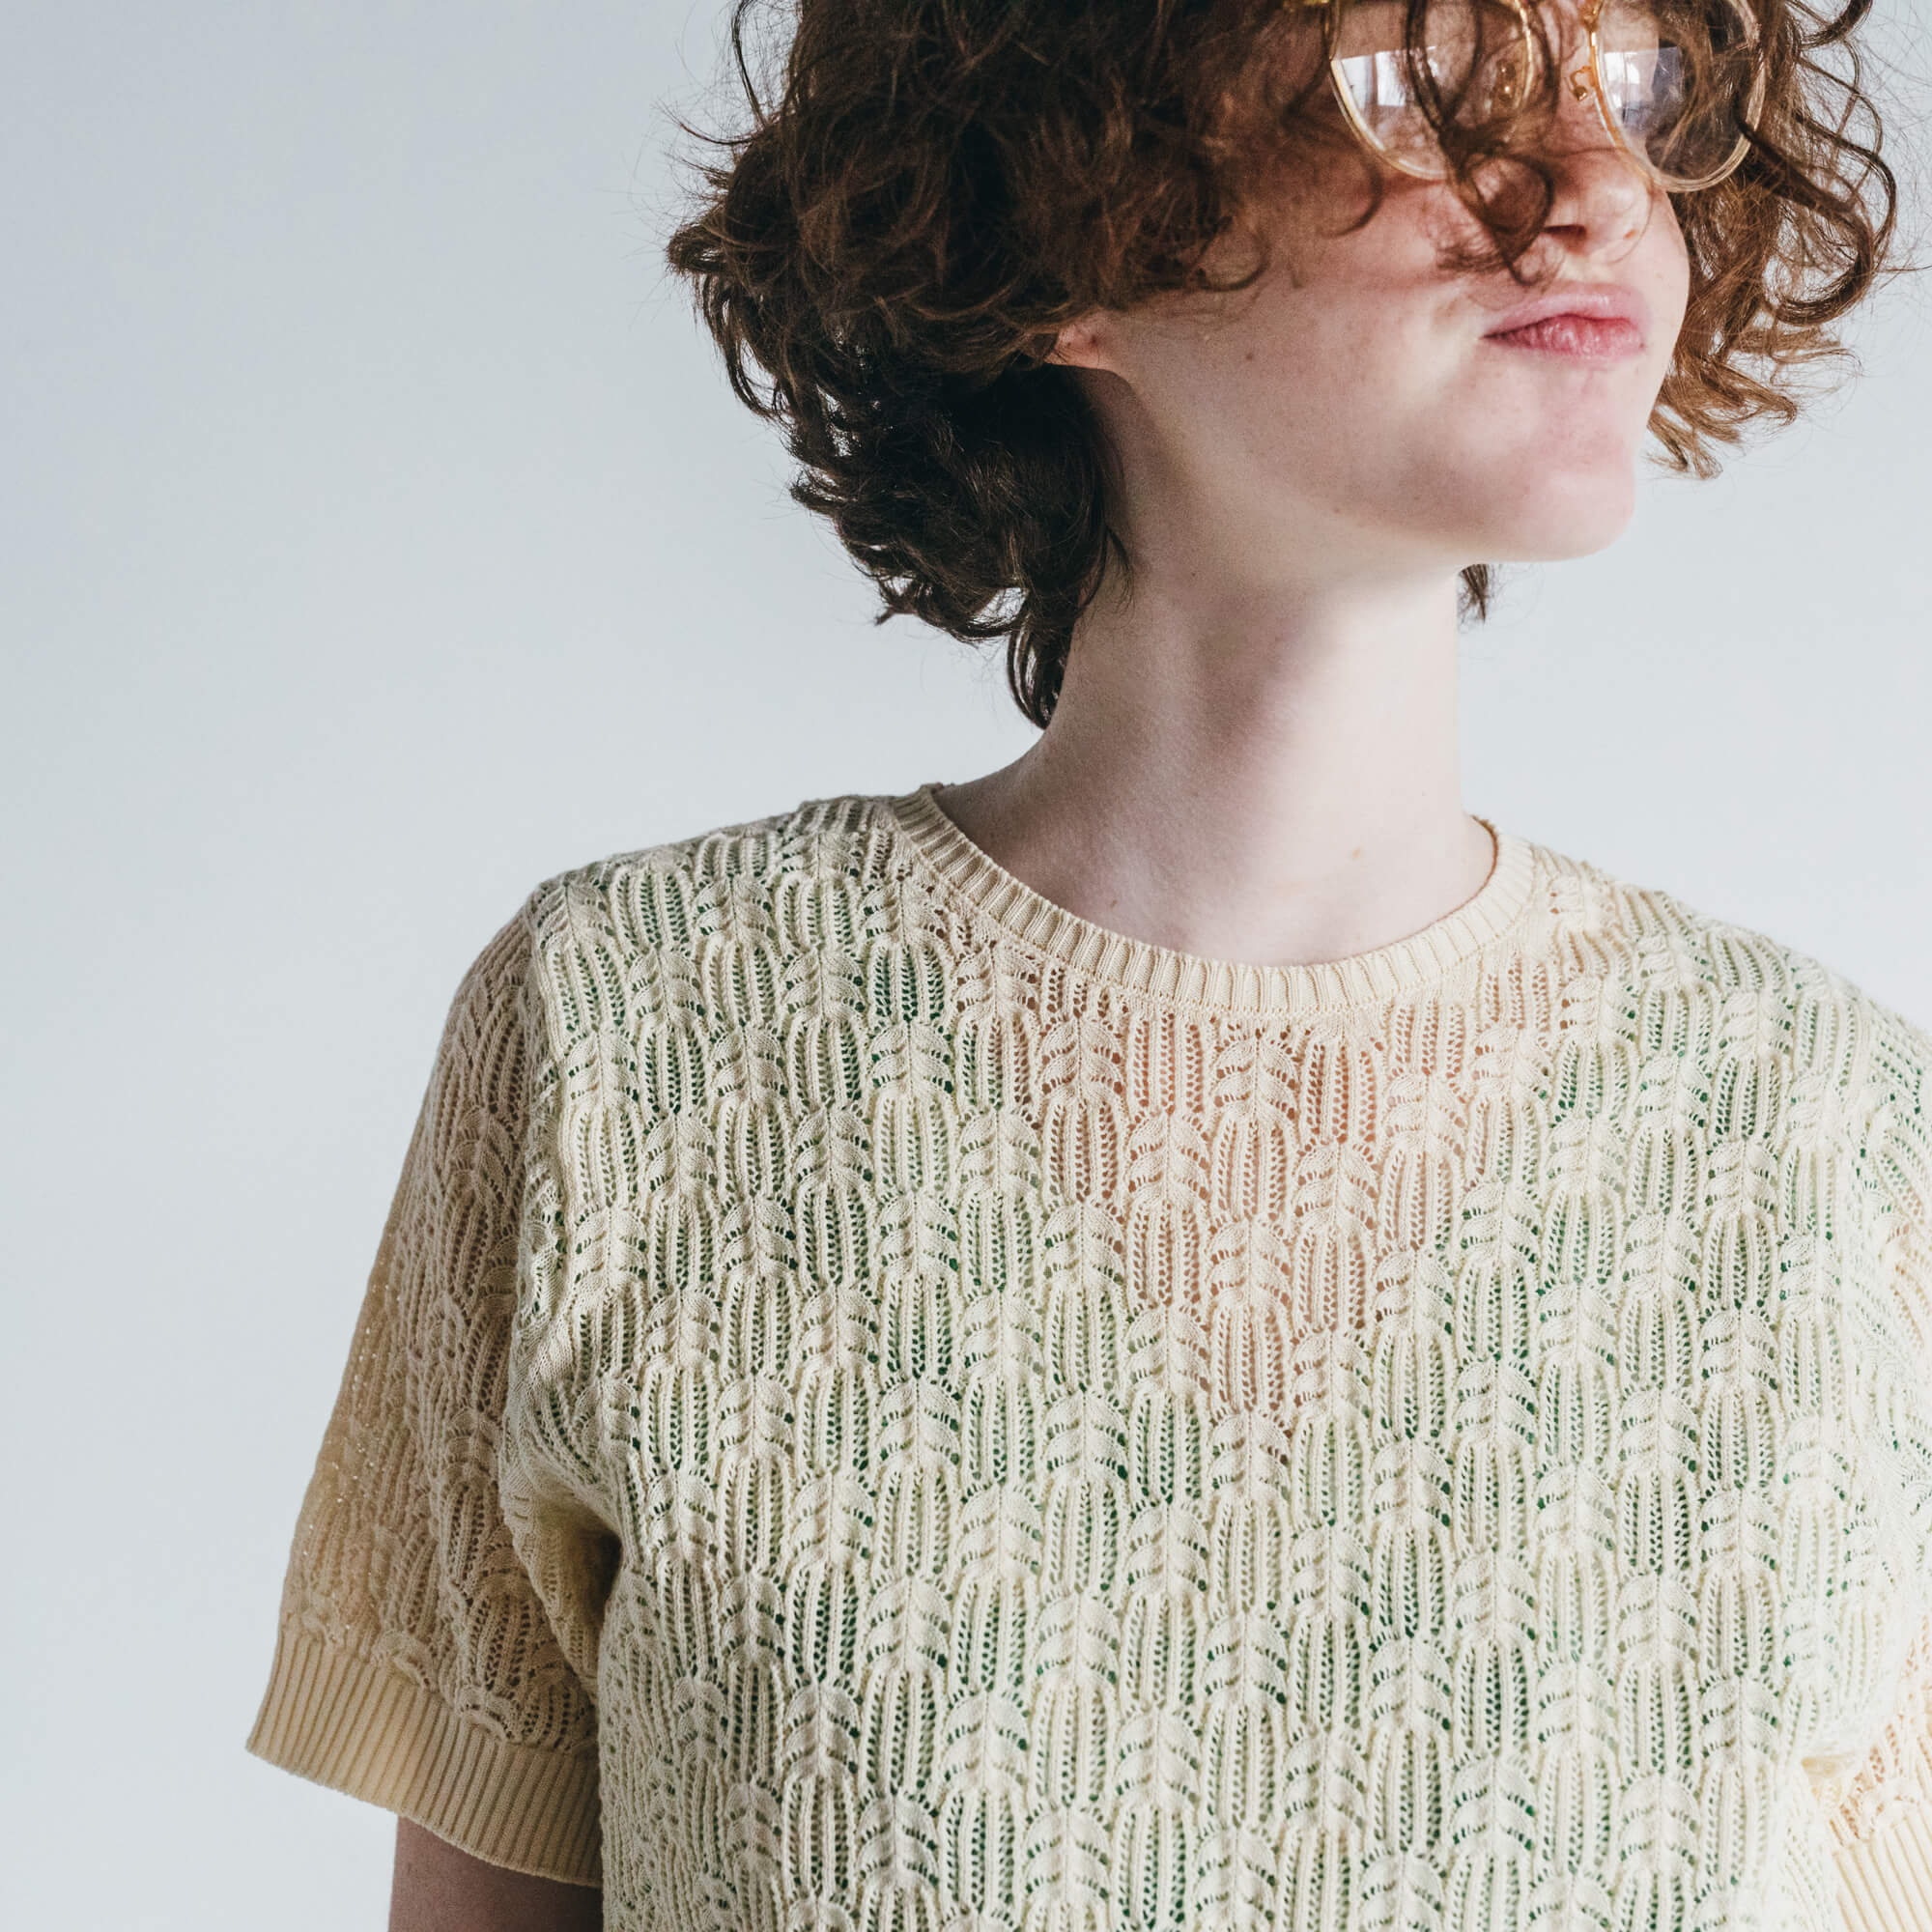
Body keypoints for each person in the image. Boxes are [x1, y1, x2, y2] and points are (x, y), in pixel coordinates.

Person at [242, 1, 1921, 1928]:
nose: (1596, 186)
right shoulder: (629, 1033)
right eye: (1430, 84)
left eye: (1640, 82)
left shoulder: (1839, 1144)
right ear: (1059, 226)